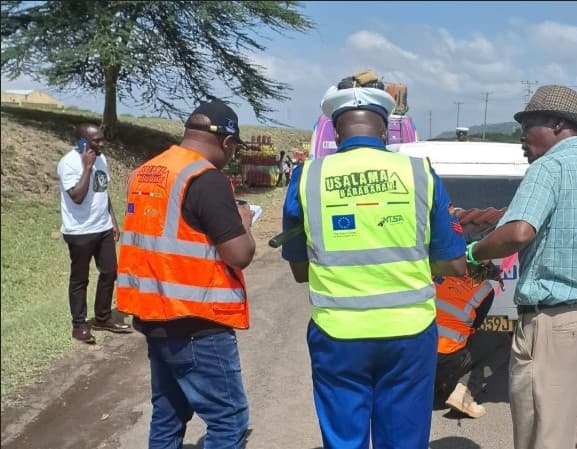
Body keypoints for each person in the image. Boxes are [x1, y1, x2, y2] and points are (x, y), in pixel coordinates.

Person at [282, 84, 467, 449]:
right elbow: (453, 264)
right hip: (409, 334)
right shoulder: (419, 173)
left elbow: (300, 270)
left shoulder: (306, 177)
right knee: (404, 439)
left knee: (343, 438)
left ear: (336, 133)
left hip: (337, 335)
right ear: (384, 131)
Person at [467, 85, 577, 449]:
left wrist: (475, 252)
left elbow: (519, 232)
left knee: (544, 433)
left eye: (529, 123)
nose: (522, 134)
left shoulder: (547, 168)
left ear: (556, 125)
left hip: (554, 323)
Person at [116, 100, 256, 449]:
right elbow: (239, 255)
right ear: (226, 142)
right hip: (198, 322)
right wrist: (244, 223)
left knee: (167, 415)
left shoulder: (147, 171)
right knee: (228, 420)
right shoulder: (206, 178)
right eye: (234, 148)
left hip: (155, 317)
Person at [57, 123, 131, 343]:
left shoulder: (102, 158)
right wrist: (87, 167)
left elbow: (102, 190)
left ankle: (102, 318)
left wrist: (113, 221)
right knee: (80, 279)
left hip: (103, 227)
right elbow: (77, 196)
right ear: (81, 142)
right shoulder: (68, 163)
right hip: (79, 231)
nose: (101, 144)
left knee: (109, 272)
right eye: (96, 141)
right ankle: (79, 325)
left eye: (101, 139)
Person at [433, 262, 500, 419]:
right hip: (449, 359)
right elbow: (475, 327)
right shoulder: (484, 290)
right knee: (501, 341)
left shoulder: (435, 272)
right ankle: (464, 392)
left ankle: (434, 384)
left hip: (419, 353)